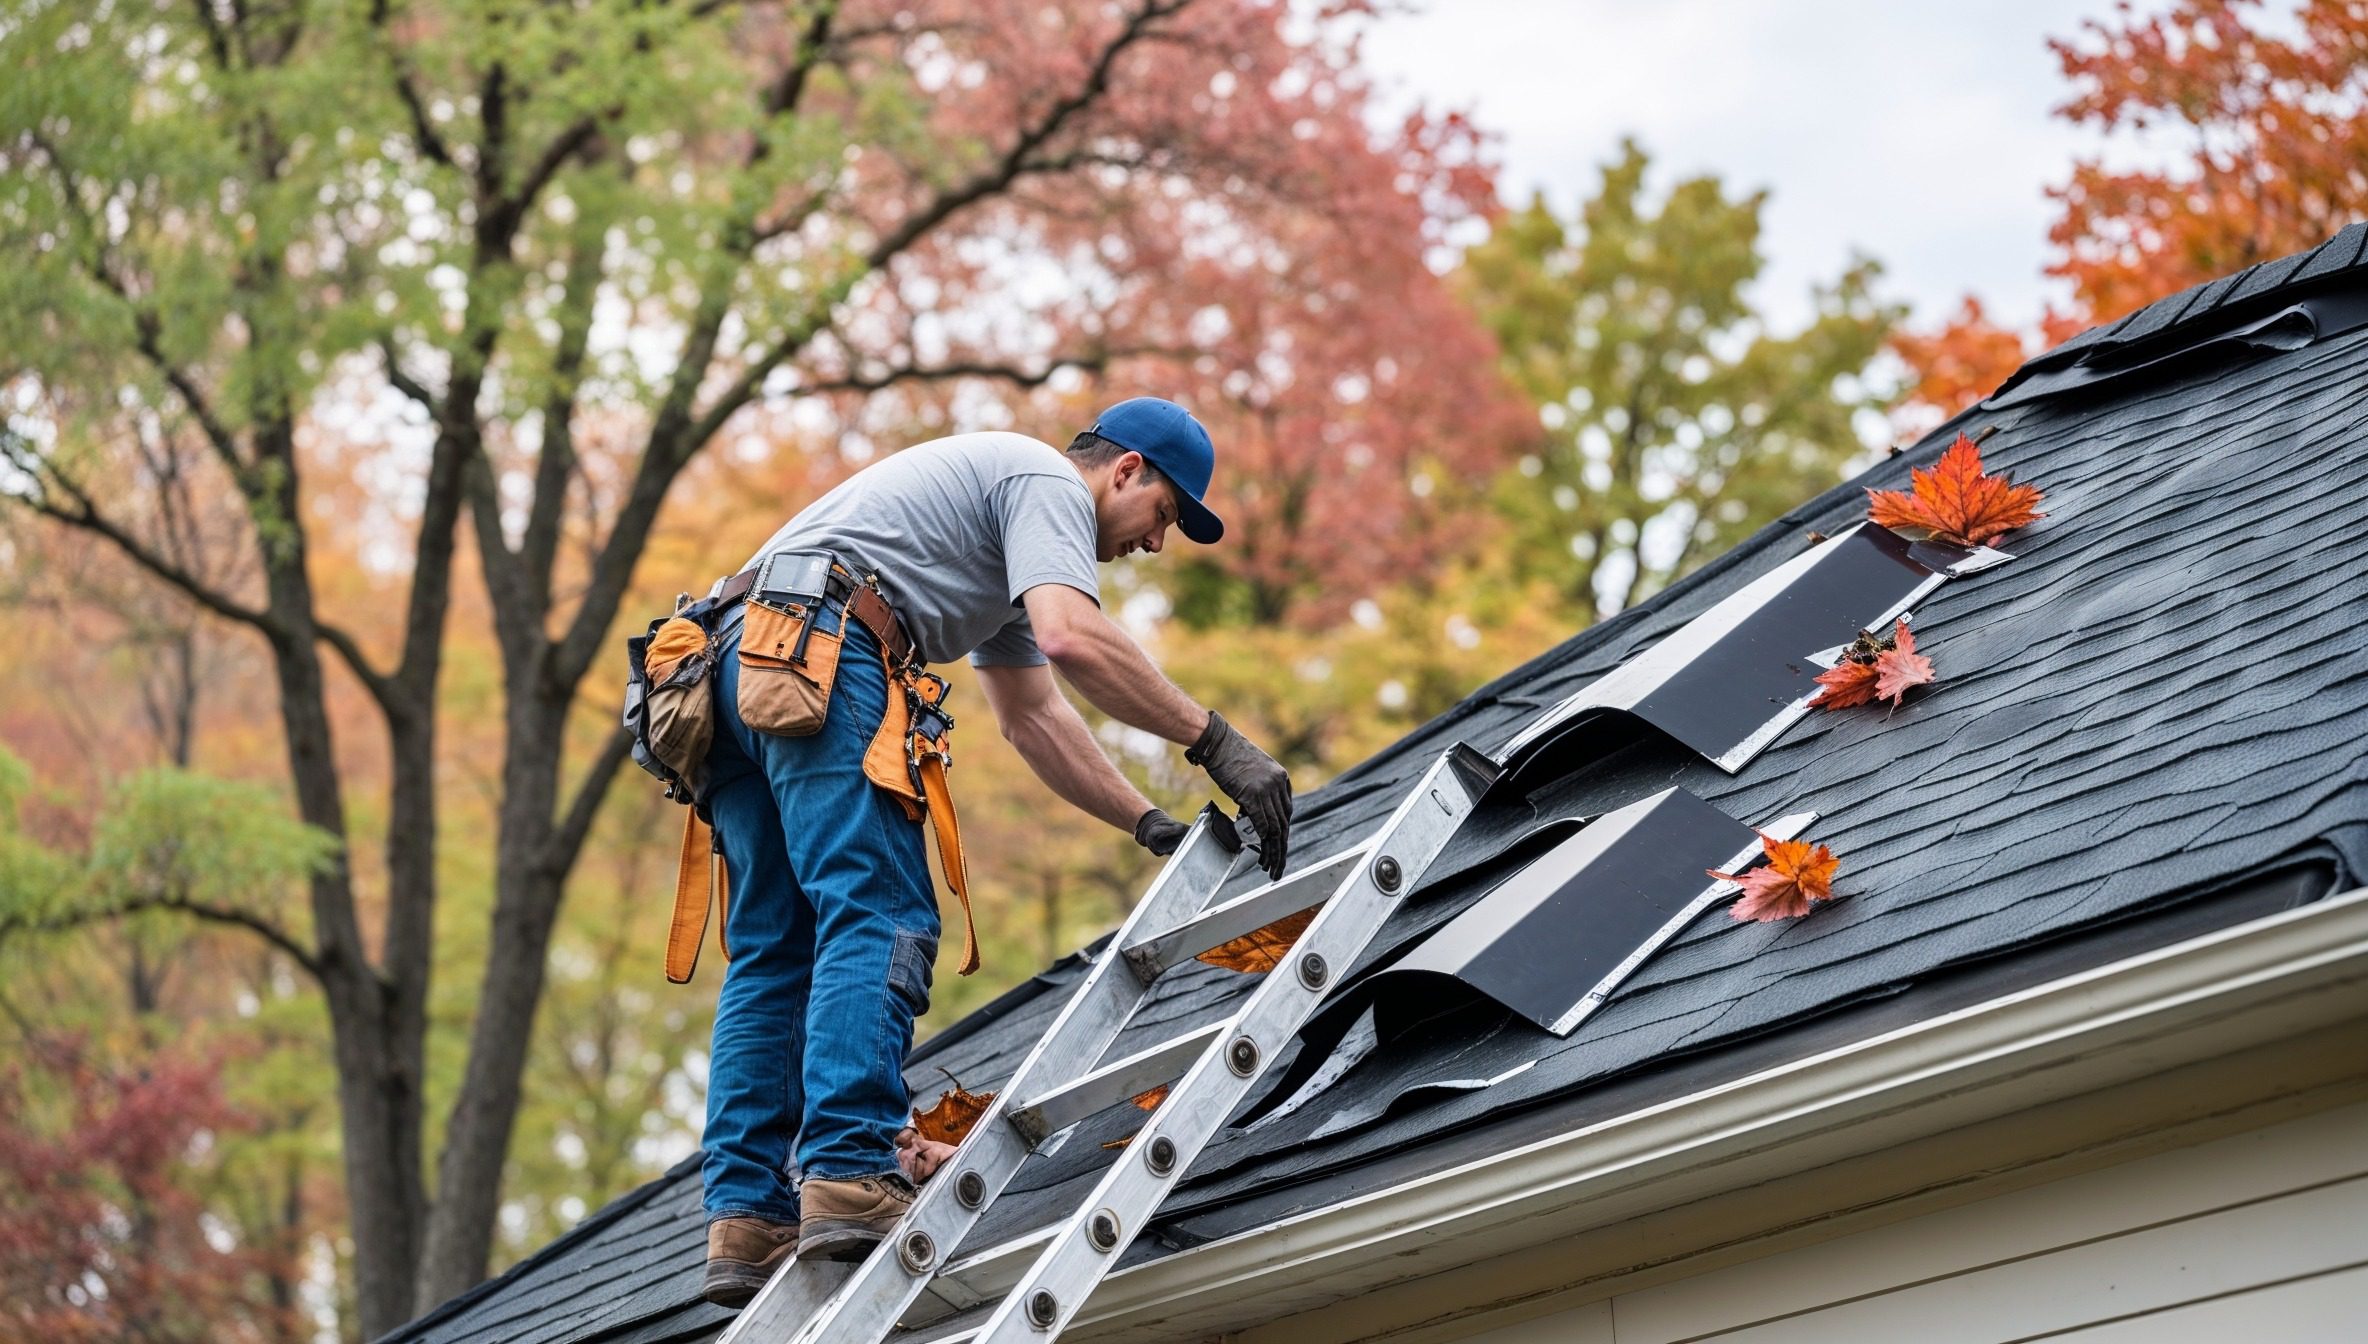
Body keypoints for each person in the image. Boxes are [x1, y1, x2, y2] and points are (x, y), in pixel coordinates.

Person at [696, 397, 1296, 1307]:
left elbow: (1033, 716)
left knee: (776, 950)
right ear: (1125, 470)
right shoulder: (1046, 480)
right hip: (822, 642)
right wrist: (1216, 741)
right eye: (1165, 514)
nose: (1156, 543)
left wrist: (1148, 824)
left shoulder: (1001, 546)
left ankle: (747, 1216)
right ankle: (853, 1171)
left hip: (731, 666)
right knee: (881, 908)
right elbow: (1071, 635)